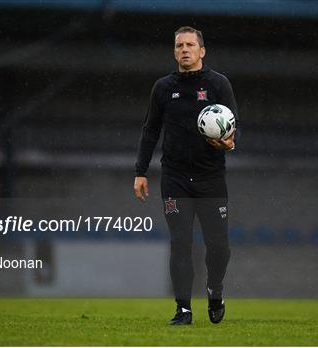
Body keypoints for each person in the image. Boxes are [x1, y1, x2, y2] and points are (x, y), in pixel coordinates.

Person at [134, 26, 239, 325]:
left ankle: (214, 291)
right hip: (175, 178)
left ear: (202, 51)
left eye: (190, 45)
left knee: (219, 247)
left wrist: (230, 141)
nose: (184, 50)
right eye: (179, 45)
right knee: (180, 242)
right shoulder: (163, 88)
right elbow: (150, 129)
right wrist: (140, 171)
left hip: (210, 178)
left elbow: (233, 125)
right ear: (174, 51)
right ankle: (183, 309)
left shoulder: (219, 84)